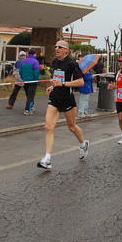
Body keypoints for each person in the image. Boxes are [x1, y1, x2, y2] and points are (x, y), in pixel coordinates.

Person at [37, 40, 89, 170]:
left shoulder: (72, 64)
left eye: (60, 47)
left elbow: (81, 82)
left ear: (66, 50)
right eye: (55, 46)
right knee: (48, 127)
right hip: (55, 98)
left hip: (67, 99)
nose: (56, 49)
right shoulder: (55, 62)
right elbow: (58, 78)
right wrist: (52, 85)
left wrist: (63, 84)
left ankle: (83, 144)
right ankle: (47, 159)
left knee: (72, 127)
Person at [20, 48, 40, 115]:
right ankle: (27, 109)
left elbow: (20, 71)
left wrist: (23, 78)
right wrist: (36, 80)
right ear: (34, 54)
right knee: (31, 96)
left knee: (28, 94)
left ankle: (31, 106)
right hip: (33, 81)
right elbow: (36, 72)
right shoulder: (35, 62)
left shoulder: (23, 61)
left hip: (25, 80)